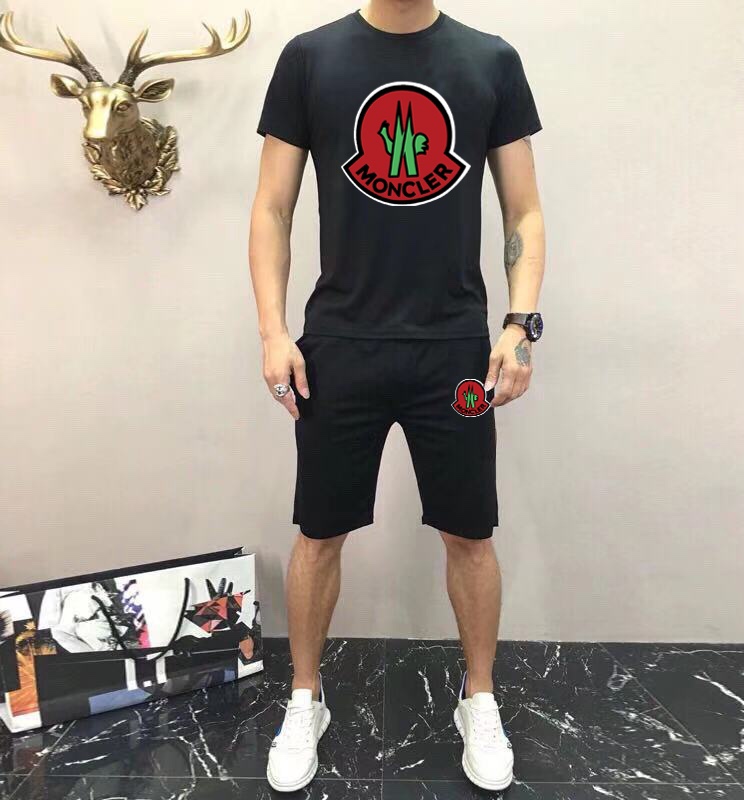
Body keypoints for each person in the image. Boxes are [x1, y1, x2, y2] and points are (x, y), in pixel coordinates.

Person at [249, 0, 545, 791]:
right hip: (339, 344)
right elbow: (272, 207)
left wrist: (519, 324)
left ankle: (478, 698)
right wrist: (273, 331)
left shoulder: (490, 61)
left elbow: (523, 209)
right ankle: (305, 699)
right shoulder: (310, 58)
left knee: (470, 532)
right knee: (318, 532)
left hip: (454, 351)